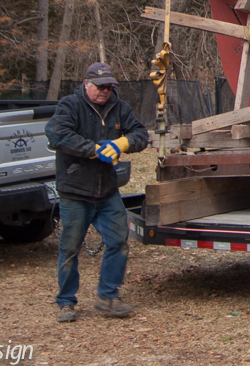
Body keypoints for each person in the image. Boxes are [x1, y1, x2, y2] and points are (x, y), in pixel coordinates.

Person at [45, 62, 148, 322]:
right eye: (100, 86)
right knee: (70, 248)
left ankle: (108, 296)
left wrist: (122, 143)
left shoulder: (119, 107)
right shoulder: (70, 105)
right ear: (86, 84)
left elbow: (141, 134)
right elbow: (56, 134)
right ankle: (66, 302)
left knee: (118, 241)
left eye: (109, 86)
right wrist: (93, 149)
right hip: (75, 191)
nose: (105, 91)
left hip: (107, 192)